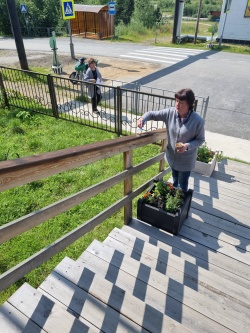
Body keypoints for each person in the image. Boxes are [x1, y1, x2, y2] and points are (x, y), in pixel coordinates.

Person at [137, 88, 205, 192]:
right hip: (172, 158)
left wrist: (186, 146)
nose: (177, 105)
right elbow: (151, 114)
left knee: (182, 185)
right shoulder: (170, 113)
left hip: (186, 161)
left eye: (181, 102)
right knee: (175, 180)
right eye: (176, 101)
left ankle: (180, 202)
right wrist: (143, 118)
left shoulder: (198, 121)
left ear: (189, 104)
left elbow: (200, 140)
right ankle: (175, 196)